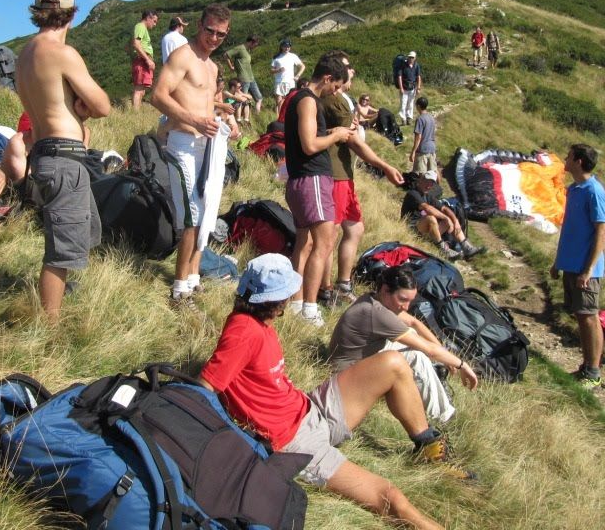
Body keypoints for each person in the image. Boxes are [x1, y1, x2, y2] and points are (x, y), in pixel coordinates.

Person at [199, 254, 453, 530]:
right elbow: (205, 386)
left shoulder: (257, 322)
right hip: (295, 443)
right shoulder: (243, 331)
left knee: (394, 364)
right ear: (277, 298)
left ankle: (427, 444)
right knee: (389, 497)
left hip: (309, 408)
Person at [17, 0, 111, 322]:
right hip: (64, 156)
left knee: (72, 234)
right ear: (72, 14)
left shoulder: (24, 55)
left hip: (41, 153)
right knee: (60, 251)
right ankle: (50, 323)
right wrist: (83, 107)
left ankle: (59, 299)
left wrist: (75, 106)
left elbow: (50, 100)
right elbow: (102, 105)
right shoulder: (62, 53)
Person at [329, 264, 479, 463]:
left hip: (359, 360)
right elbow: (429, 350)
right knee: (416, 355)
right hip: (346, 376)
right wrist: (461, 364)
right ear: (385, 290)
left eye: (410, 301)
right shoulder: (377, 313)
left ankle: (436, 402)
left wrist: (444, 354)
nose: (406, 306)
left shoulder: (376, 300)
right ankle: (441, 419)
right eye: (403, 299)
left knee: (415, 342)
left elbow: (415, 323)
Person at [152, 3, 233, 307]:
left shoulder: (212, 66)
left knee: (208, 208)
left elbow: (204, 101)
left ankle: (193, 275)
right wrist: (194, 120)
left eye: (221, 34)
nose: (214, 38)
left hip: (206, 145)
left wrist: (222, 114)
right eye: (209, 30)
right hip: (182, 142)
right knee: (192, 214)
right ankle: (179, 286)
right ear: (199, 25)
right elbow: (157, 95)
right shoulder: (183, 55)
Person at [320, 55, 404, 305]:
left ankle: (341, 284)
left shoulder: (340, 99)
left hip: (343, 172)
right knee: (330, 234)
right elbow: (354, 141)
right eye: (346, 67)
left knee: (354, 228)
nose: (352, 71)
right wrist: (385, 166)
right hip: (335, 173)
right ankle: (325, 290)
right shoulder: (335, 100)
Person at [284, 53, 352, 327]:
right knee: (323, 244)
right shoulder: (309, 101)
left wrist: (332, 130)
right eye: (335, 86)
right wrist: (336, 136)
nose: (335, 91)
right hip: (312, 179)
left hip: (300, 180)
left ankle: (296, 302)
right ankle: (310, 308)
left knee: (305, 243)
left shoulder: (298, 98)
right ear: (327, 78)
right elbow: (310, 145)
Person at [549, 143, 605, 389]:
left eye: (569, 156)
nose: (565, 159)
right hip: (571, 264)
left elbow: (601, 230)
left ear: (579, 162)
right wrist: (558, 262)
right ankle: (586, 367)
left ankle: (593, 373)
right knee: (580, 316)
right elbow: (569, 229)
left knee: (589, 317)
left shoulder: (594, 191)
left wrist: (588, 269)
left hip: (586, 270)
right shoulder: (574, 189)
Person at [401, 172, 485, 261]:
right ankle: (444, 249)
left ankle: (466, 247)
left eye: (432, 183)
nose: (429, 185)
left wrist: (455, 221)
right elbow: (427, 208)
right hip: (411, 229)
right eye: (427, 182)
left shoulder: (428, 196)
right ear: (421, 180)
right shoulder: (413, 193)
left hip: (424, 231)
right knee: (431, 218)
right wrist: (446, 218)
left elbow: (444, 208)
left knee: (448, 216)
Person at [225, 34, 263, 115]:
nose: (255, 47)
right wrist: (231, 67)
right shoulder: (240, 48)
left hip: (251, 78)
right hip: (243, 78)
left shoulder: (247, 50)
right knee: (241, 100)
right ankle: (237, 118)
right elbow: (226, 55)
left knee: (259, 98)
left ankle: (257, 116)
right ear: (251, 42)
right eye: (255, 45)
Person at [131, 9, 159, 109]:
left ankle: (137, 110)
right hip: (142, 61)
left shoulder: (142, 28)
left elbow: (131, 44)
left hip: (142, 60)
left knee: (142, 89)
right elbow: (136, 44)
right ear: (148, 18)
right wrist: (147, 59)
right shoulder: (140, 26)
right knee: (139, 89)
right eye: (154, 21)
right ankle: (135, 113)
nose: (155, 24)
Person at [270, 39, 304, 113]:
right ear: (281, 47)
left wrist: (297, 75)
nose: (287, 48)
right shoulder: (276, 57)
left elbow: (302, 66)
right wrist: (278, 70)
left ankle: (288, 118)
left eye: (288, 46)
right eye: (285, 46)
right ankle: (280, 119)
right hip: (279, 82)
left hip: (290, 82)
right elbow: (271, 71)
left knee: (289, 101)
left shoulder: (293, 56)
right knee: (279, 102)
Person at [408, 96, 437, 175]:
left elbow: (418, 137)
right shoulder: (431, 118)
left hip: (423, 149)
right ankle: (436, 186)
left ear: (418, 106)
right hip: (432, 147)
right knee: (433, 172)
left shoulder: (420, 119)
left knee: (422, 174)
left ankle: (422, 187)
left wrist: (413, 152)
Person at [397, 51, 421, 125]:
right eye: (410, 57)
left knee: (410, 104)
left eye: (412, 57)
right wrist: (401, 88)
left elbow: (418, 77)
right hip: (404, 88)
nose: (411, 58)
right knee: (403, 104)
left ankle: (409, 118)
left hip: (412, 88)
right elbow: (399, 77)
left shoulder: (416, 66)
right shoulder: (403, 65)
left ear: (415, 58)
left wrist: (418, 87)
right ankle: (403, 119)